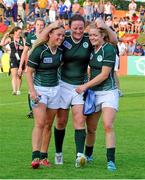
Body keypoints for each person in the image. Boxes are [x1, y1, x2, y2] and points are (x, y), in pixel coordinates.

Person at [40, 14, 118, 168]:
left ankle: (80, 156)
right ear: (69, 27)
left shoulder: (90, 39)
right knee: (61, 121)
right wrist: (50, 26)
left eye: (81, 28)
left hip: (81, 86)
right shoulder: (64, 38)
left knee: (79, 120)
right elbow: (43, 40)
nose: (78, 31)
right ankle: (58, 153)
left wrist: (104, 26)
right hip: (62, 84)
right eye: (75, 28)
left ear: (85, 28)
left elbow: (113, 40)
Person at [75, 24, 119, 171]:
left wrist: (85, 86)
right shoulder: (91, 49)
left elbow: (105, 75)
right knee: (91, 128)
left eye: (95, 35)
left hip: (108, 92)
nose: (92, 38)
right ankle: (88, 155)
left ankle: (111, 161)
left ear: (102, 36)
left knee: (107, 124)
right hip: (94, 94)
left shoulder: (109, 49)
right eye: (91, 35)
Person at [26, 22, 65, 169]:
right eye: (58, 35)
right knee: (40, 123)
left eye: (62, 35)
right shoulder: (39, 50)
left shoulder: (61, 51)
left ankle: (44, 156)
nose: (61, 38)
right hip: (40, 90)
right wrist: (32, 91)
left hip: (56, 90)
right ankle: (35, 156)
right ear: (50, 34)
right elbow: (29, 72)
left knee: (49, 124)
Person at [18, 18, 45, 118]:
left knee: (43, 87)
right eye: (38, 25)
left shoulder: (47, 37)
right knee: (31, 88)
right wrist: (21, 66)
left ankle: (43, 108)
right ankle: (32, 110)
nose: (40, 27)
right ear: (35, 25)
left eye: (42, 25)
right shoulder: (30, 37)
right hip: (32, 67)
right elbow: (25, 52)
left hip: (43, 67)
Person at [0, 27, 25, 95]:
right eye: (19, 32)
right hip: (13, 58)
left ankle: (18, 90)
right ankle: (14, 90)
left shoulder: (22, 39)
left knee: (19, 75)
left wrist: (23, 48)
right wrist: (5, 36)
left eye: (21, 32)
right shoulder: (10, 39)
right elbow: (1, 44)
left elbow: (26, 48)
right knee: (14, 75)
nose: (20, 33)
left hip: (21, 59)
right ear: (15, 32)